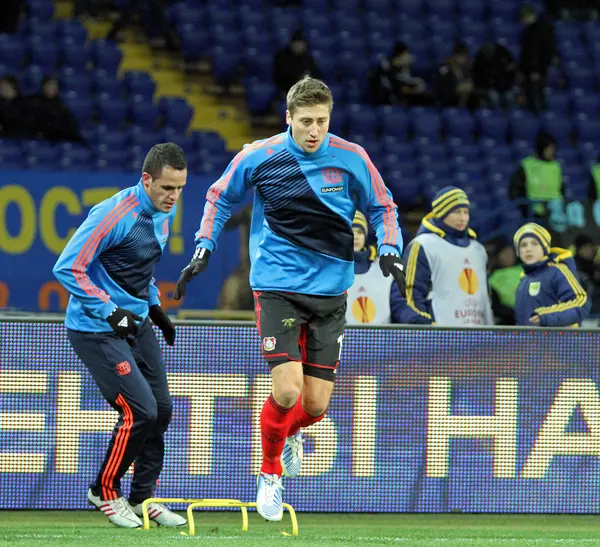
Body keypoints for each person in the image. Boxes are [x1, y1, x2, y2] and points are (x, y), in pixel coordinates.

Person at [173, 76, 406, 522]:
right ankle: (269, 474)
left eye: (321, 121)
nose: (314, 130)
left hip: (331, 292)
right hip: (277, 286)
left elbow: (384, 206)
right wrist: (204, 245)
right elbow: (219, 198)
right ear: (288, 119)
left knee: (315, 406)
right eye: (305, 122)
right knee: (286, 389)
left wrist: (390, 247)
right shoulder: (261, 155)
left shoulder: (352, 158)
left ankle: (285, 435)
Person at [52, 143, 188, 529]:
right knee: (140, 410)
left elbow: (139, 268)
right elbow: (67, 268)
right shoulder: (114, 215)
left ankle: (143, 498)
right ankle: (104, 491)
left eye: (179, 189)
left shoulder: (165, 212)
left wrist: (155, 306)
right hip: (96, 328)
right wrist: (109, 311)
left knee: (161, 409)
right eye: (166, 188)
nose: (173, 197)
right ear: (146, 180)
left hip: (137, 321)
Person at [398, 186, 494, 326]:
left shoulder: (478, 249)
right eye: (456, 212)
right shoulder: (424, 244)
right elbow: (410, 293)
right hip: (441, 337)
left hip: (477, 335)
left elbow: (486, 296)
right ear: (442, 213)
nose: (462, 218)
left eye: (466, 212)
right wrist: (424, 325)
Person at [514, 223, 590, 326]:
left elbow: (581, 303)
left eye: (535, 243)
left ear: (545, 248)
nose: (528, 249)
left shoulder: (557, 271)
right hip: (530, 341)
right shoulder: (523, 279)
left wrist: (545, 317)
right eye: (523, 245)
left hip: (559, 341)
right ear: (518, 252)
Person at [347, 211, 403, 324]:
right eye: (351, 232)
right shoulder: (333, 269)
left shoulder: (385, 267)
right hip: (344, 339)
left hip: (380, 338)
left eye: (360, 232)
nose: (356, 237)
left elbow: (399, 305)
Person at [510, 131, 563, 217]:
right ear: (541, 148)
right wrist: (524, 208)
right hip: (534, 214)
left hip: (555, 213)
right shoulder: (527, 165)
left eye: (553, 149)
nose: (552, 152)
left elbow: (561, 188)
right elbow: (515, 189)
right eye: (549, 149)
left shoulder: (556, 166)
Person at [519, 5, 557, 113]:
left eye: (524, 17)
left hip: (537, 72)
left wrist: (537, 70)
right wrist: (522, 70)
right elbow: (525, 53)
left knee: (538, 99)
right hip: (528, 71)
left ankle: (542, 123)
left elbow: (545, 52)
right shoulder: (527, 32)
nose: (522, 20)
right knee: (529, 99)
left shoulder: (543, 30)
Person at [369, 41, 431, 107]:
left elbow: (408, 81)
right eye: (407, 54)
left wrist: (415, 86)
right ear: (401, 54)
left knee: (427, 98)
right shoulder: (386, 63)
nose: (409, 57)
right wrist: (411, 87)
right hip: (387, 98)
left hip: (403, 96)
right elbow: (394, 82)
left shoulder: (405, 67)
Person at [273, 30, 322, 96]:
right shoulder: (282, 57)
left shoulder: (308, 58)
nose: (298, 46)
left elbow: (316, 74)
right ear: (291, 44)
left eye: (301, 43)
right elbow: (281, 75)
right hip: (287, 89)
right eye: (296, 43)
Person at [488, 240, 522, 325]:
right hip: (509, 319)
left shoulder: (525, 270)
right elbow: (496, 305)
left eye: (511, 253)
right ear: (498, 256)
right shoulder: (493, 277)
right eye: (505, 253)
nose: (509, 256)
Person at [433, 41, 475, 108]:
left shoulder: (465, 68)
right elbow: (441, 86)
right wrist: (457, 88)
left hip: (463, 98)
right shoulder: (445, 68)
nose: (463, 59)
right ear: (455, 56)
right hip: (448, 99)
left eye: (465, 56)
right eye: (461, 56)